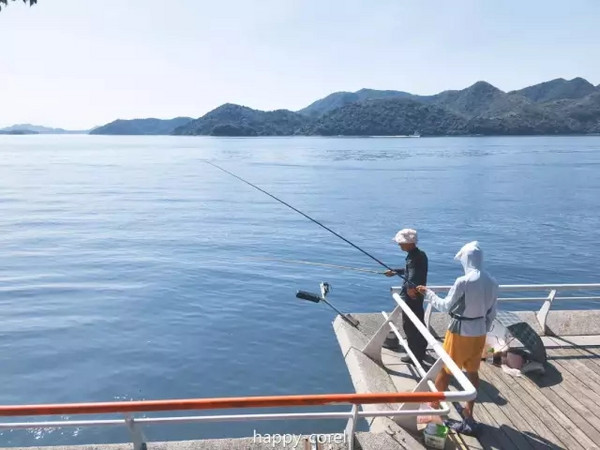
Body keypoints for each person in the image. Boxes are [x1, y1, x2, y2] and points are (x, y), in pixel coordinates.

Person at [416, 241, 498, 436]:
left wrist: (428, 293)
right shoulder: (492, 282)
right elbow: (492, 313)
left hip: (459, 331)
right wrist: (481, 328)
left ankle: (434, 408)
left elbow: (445, 306)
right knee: (473, 372)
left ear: (466, 260)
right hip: (479, 331)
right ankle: (469, 412)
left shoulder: (463, 281)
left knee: (445, 371)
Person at [384, 228, 428, 365]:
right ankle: (419, 351)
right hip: (417, 295)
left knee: (410, 325)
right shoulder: (419, 255)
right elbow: (410, 270)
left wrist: (410, 289)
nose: (399, 245)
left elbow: (413, 275)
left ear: (409, 243)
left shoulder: (414, 257)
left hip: (412, 297)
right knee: (417, 322)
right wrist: (396, 271)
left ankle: (416, 356)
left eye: (401, 243)